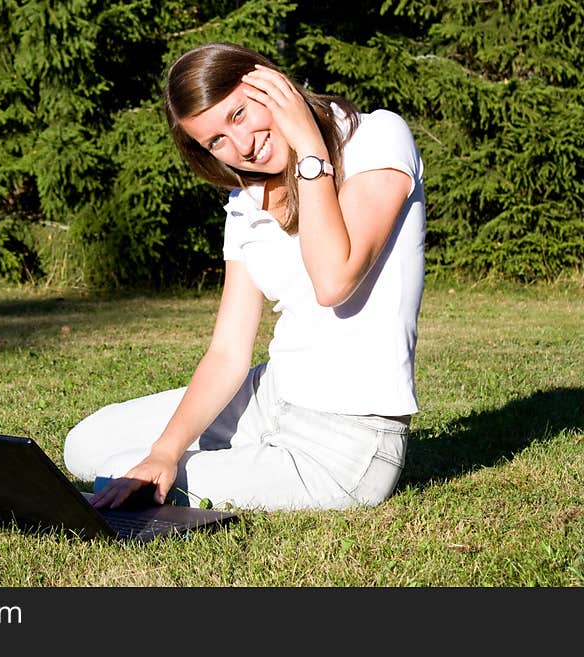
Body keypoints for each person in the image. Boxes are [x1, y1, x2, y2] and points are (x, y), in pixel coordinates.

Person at [63, 42, 425, 512]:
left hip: (344, 444)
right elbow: (228, 352)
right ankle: (238, 456)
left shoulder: (375, 137)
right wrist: (165, 451)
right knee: (87, 447)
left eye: (238, 115)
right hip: (268, 398)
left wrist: (310, 148)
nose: (242, 147)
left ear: (270, 84)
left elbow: (334, 280)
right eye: (215, 141)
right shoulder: (246, 203)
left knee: (125, 480)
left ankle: (246, 465)